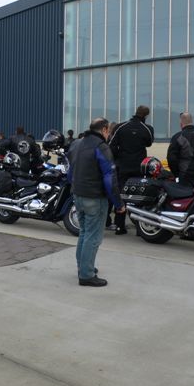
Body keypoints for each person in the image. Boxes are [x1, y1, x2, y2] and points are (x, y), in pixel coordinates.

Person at [67, 118, 125, 287]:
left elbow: (71, 172)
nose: (109, 135)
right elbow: (109, 178)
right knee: (93, 237)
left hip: (78, 195)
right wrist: (118, 203)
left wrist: (75, 188)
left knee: (84, 233)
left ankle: (83, 267)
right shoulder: (101, 147)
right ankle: (86, 275)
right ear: (105, 130)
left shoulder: (77, 144)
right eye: (109, 132)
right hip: (95, 198)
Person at [108, 106, 154, 235]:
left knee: (121, 194)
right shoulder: (147, 129)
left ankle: (119, 226)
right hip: (139, 166)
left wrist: (118, 157)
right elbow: (149, 143)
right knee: (139, 196)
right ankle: (139, 229)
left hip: (123, 166)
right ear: (146, 115)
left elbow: (112, 145)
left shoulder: (121, 127)